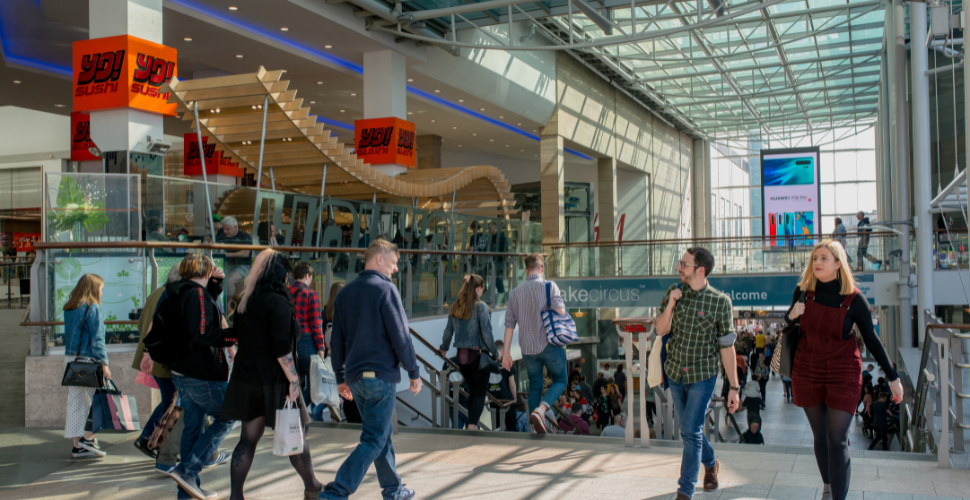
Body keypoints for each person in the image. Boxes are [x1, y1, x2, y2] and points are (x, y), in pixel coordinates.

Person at [785, 240, 903, 500]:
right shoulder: (803, 291)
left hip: (843, 373)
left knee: (836, 438)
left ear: (838, 263)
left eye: (824, 258)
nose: (817, 263)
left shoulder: (854, 299)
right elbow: (788, 320)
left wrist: (893, 377)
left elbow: (872, 339)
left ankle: (838, 497)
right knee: (820, 435)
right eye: (815, 258)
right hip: (808, 370)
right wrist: (792, 314)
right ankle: (828, 486)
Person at [321, 239, 421, 500]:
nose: (395, 269)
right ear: (379, 259)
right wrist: (413, 371)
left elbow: (336, 341)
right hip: (380, 377)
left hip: (356, 379)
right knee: (374, 439)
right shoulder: (385, 290)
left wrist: (340, 378)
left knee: (382, 434)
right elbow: (401, 336)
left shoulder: (345, 293)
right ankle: (336, 492)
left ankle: (393, 489)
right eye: (393, 262)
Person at [220, 250, 323, 500]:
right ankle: (312, 487)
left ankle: (236, 496)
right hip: (275, 382)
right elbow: (281, 348)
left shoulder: (247, 300)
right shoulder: (277, 301)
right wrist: (294, 380)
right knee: (294, 435)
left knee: (247, 440)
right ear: (282, 275)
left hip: (247, 378)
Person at [655, 247, 740, 500]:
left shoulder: (720, 301)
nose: (679, 268)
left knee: (691, 431)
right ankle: (711, 462)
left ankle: (685, 490)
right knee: (690, 430)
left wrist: (733, 387)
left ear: (700, 270)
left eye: (684, 264)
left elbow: (727, 347)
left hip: (703, 375)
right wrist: (670, 304)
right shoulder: (674, 292)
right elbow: (660, 330)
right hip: (675, 372)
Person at [162, 254, 237, 500]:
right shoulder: (195, 295)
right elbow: (203, 332)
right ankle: (188, 470)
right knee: (227, 416)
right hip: (200, 373)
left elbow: (202, 313)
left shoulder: (178, 292)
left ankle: (186, 491)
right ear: (205, 270)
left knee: (192, 429)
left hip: (181, 372)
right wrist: (233, 336)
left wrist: (214, 286)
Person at [501, 252, 569, 434]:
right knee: (561, 379)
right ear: (542, 268)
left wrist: (506, 353)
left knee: (535, 385)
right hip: (549, 344)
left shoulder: (515, 293)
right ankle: (542, 409)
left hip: (527, 348)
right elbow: (561, 312)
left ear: (525, 270)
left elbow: (509, 325)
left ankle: (534, 429)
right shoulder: (549, 286)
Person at [132, 266, 181, 462]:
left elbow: (141, 323)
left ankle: (150, 439)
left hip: (154, 355)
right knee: (170, 402)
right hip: (162, 358)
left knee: (168, 400)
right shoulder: (173, 295)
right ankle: (151, 439)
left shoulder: (156, 293)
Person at [438, 274, 499, 430]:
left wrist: (443, 348)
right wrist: (495, 353)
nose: (482, 294)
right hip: (478, 357)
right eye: (482, 290)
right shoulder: (481, 307)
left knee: (473, 391)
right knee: (480, 393)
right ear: (478, 288)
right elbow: (487, 334)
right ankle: (472, 426)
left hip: (462, 358)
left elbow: (447, 332)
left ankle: (471, 425)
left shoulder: (455, 307)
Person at [62, 273, 110, 459]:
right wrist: (104, 363)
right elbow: (97, 340)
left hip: (71, 360)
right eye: (101, 289)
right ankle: (88, 438)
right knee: (96, 402)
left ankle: (78, 446)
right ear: (93, 288)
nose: (102, 293)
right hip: (87, 361)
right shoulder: (93, 308)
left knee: (75, 404)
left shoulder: (70, 307)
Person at [288, 262, 326, 410]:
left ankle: (294, 411)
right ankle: (300, 411)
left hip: (287, 342)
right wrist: (321, 347)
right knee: (315, 382)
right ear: (307, 276)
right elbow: (316, 324)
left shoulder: (284, 293)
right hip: (306, 341)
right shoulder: (310, 294)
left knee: (295, 381)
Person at [216, 216, 254, 299]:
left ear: (235, 227)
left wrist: (228, 255)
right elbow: (215, 246)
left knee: (228, 281)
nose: (225, 231)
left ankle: (228, 306)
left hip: (243, 266)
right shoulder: (222, 237)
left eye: (227, 229)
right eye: (224, 229)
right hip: (227, 265)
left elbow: (246, 253)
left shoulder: (245, 236)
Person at [489, 340, 518, 431]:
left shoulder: (488, 361)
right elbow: (512, 383)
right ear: (502, 350)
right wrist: (515, 398)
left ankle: (498, 445)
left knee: (497, 428)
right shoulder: (507, 361)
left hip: (493, 400)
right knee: (511, 428)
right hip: (507, 400)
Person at [487, 222, 507, 294]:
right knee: (497, 281)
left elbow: (504, 252)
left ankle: (502, 297)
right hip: (494, 263)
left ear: (495, 227)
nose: (488, 230)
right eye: (488, 228)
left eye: (490, 228)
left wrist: (504, 265)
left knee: (498, 281)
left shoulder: (501, 237)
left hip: (499, 264)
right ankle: (502, 297)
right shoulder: (493, 238)